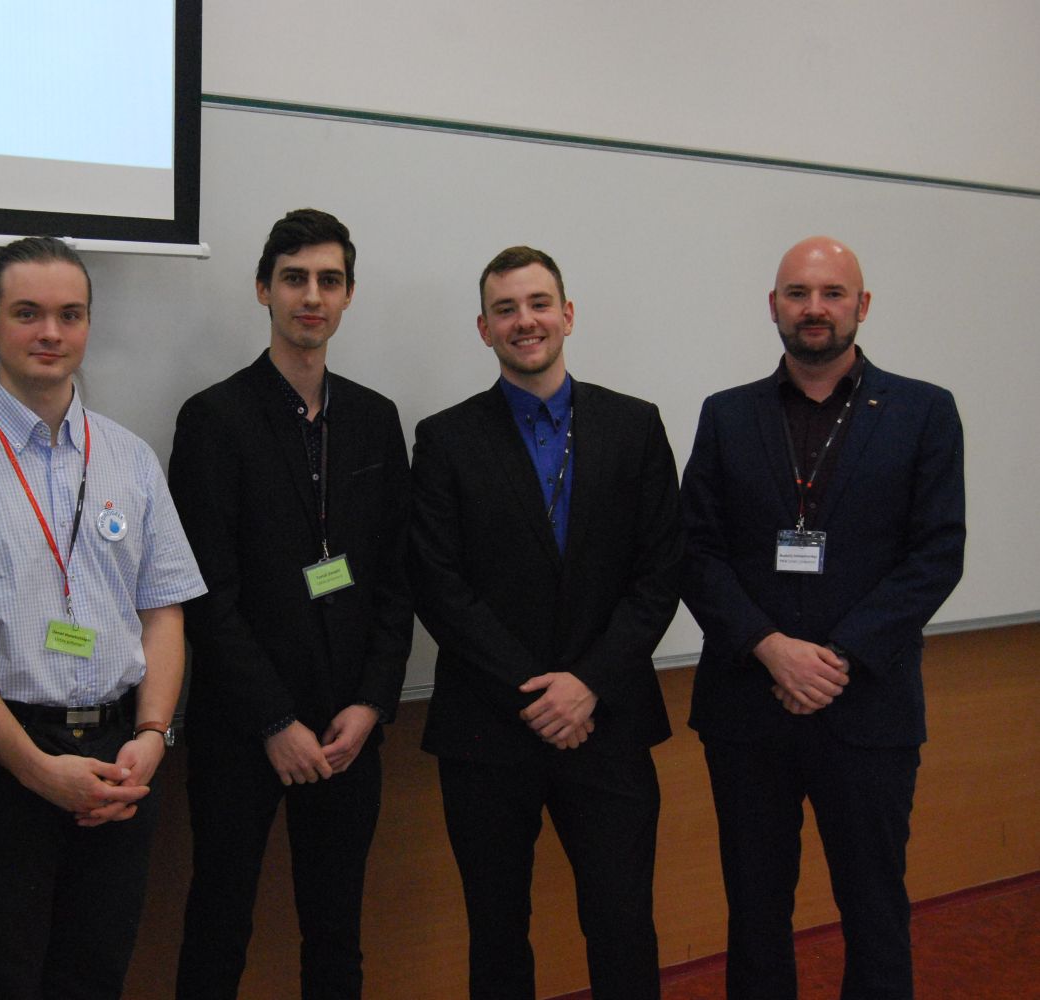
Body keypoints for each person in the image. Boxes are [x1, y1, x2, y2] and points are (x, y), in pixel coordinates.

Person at [0, 236, 205, 999]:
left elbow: (162, 610)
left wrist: (152, 735)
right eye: (27, 314)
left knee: (95, 976)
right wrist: (34, 767)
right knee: (4, 979)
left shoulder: (130, 459)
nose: (50, 332)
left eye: (69, 314)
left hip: (119, 757)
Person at [681, 236, 965, 1000]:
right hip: (748, 709)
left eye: (832, 293)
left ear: (860, 305)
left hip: (866, 707)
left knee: (874, 912)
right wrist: (769, 647)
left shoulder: (923, 411)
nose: (814, 308)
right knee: (754, 914)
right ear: (772, 306)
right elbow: (695, 551)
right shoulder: (726, 415)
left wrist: (836, 657)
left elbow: (936, 554)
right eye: (797, 293)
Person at [409, 245, 681, 1000]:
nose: (523, 321)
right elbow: (438, 584)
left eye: (537, 304)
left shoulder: (635, 426)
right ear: (483, 328)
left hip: (608, 721)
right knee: (497, 934)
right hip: (488, 728)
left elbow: (660, 573)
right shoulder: (445, 439)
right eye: (505, 309)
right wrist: (536, 692)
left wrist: (587, 684)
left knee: (623, 926)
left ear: (567, 314)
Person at [169, 208, 413, 1000]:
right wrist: (274, 721)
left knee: (337, 931)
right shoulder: (213, 419)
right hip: (243, 729)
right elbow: (204, 593)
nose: (312, 296)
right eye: (295, 279)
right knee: (219, 924)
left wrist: (372, 703)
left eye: (329, 281)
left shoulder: (374, 419)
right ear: (262, 290)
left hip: (348, 728)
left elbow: (394, 580)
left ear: (348, 295)